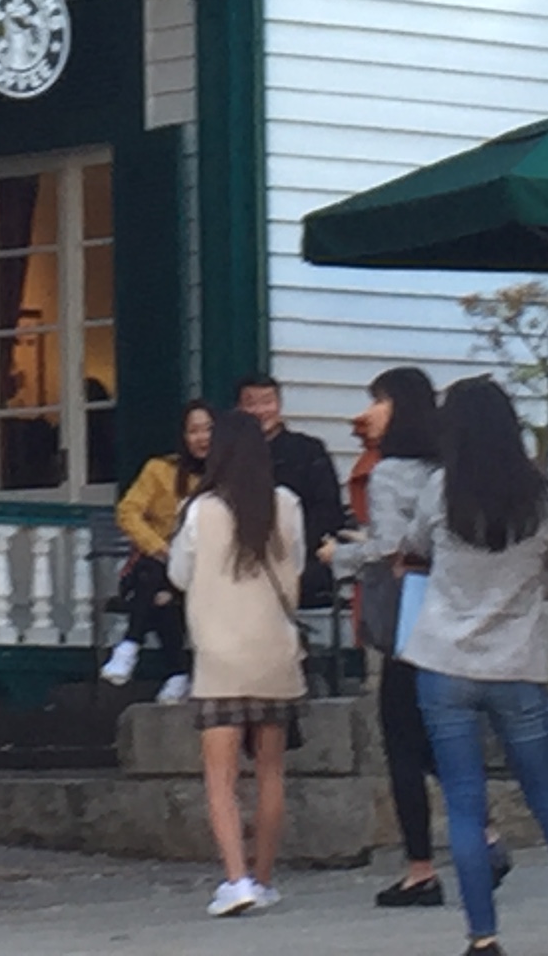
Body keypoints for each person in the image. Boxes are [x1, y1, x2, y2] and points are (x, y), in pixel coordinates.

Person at [396, 376, 548, 956]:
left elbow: (414, 547)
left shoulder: (441, 489)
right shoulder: (545, 499)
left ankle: (483, 938)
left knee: (464, 804)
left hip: (444, 661)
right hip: (516, 662)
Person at [325, 365, 496, 908]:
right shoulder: (453, 467)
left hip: (408, 617)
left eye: (377, 400)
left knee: (402, 739)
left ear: (397, 406)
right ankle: (484, 833)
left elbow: (392, 547)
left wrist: (338, 555)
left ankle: (421, 868)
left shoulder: (390, 472)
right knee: (442, 733)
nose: (368, 412)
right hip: (458, 613)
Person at [167, 407, 306, 918]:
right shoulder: (286, 504)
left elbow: (179, 575)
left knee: (221, 780)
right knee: (270, 773)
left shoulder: (199, 510)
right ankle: (264, 878)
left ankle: (235, 878)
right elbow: (298, 566)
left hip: (219, 656)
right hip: (274, 653)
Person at [103, 400, 213, 696]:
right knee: (156, 583)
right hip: (159, 563)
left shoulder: (226, 475)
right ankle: (172, 671)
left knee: (159, 590)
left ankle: (134, 646)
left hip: (205, 569)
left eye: (209, 430)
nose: (202, 438)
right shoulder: (160, 469)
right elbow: (128, 511)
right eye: (194, 431)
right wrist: (159, 547)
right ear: (183, 436)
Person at [235, 373, 346, 606]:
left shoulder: (308, 450)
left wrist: (293, 547)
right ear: (239, 409)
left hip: (300, 557)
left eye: (267, 402)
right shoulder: (230, 455)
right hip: (242, 560)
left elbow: (328, 509)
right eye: (250, 403)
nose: (260, 411)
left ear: (279, 404)